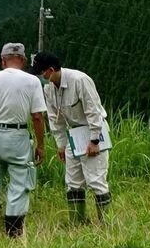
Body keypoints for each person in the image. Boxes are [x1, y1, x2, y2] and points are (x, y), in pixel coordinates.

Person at [0, 42, 48, 239]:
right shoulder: (32, 82)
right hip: (18, 136)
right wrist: (41, 145)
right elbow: (38, 117)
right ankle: (13, 234)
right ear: (23, 60)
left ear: (2, 60)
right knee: (19, 185)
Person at [33, 51, 111, 224]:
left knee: (96, 179)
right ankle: (78, 222)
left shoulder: (80, 80)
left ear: (51, 70)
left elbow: (93, 110)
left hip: (92, 130)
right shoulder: (49, 89)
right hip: (74, 135)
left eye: (41, 72)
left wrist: (94, 140)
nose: (40, 76)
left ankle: (107, 223)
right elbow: (55, 119)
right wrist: (61, 145)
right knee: (73, 182)